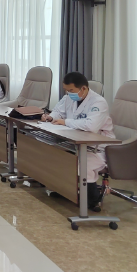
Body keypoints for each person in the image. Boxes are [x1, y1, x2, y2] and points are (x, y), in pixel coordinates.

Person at [41, 72, 115, 210]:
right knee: (56, 154)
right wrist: (51, 117)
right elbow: (58, 111)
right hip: (76, 141)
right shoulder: (69, 97)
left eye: (71, 90)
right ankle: (65, 190)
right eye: (66, 90)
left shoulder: (98, 102)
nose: (68, 93)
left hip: (99, 146)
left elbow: (91, 126)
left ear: (84, 88)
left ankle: (92, 199)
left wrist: (65, 122)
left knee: (81, 163)